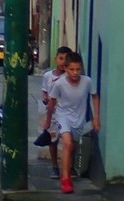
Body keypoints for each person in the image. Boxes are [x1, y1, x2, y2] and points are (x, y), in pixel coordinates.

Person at [43, 52, 101, 195]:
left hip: (79, 119)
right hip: (63, 116)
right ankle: (65, 179)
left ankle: (69, 169)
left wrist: (96, 118)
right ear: (66, 69)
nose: (75, 73)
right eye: (71, 69)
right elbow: (52, 102)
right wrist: (48, 120)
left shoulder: (87, 81)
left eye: (78, 69)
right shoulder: (59, 84)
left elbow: (95, 97)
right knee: (67, 143)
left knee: (72, 145)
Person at [41, 45, 73, 179]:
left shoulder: (70, 76)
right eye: (61, 58)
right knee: (52, 140)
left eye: (66, 59)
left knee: (69, 141)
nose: (63, 62)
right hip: (52, 114)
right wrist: (45, 100)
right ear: (56, 59)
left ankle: (69, 168)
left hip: (67, 113)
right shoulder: (48, 76)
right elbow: (44, 92)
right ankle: (55, 167)